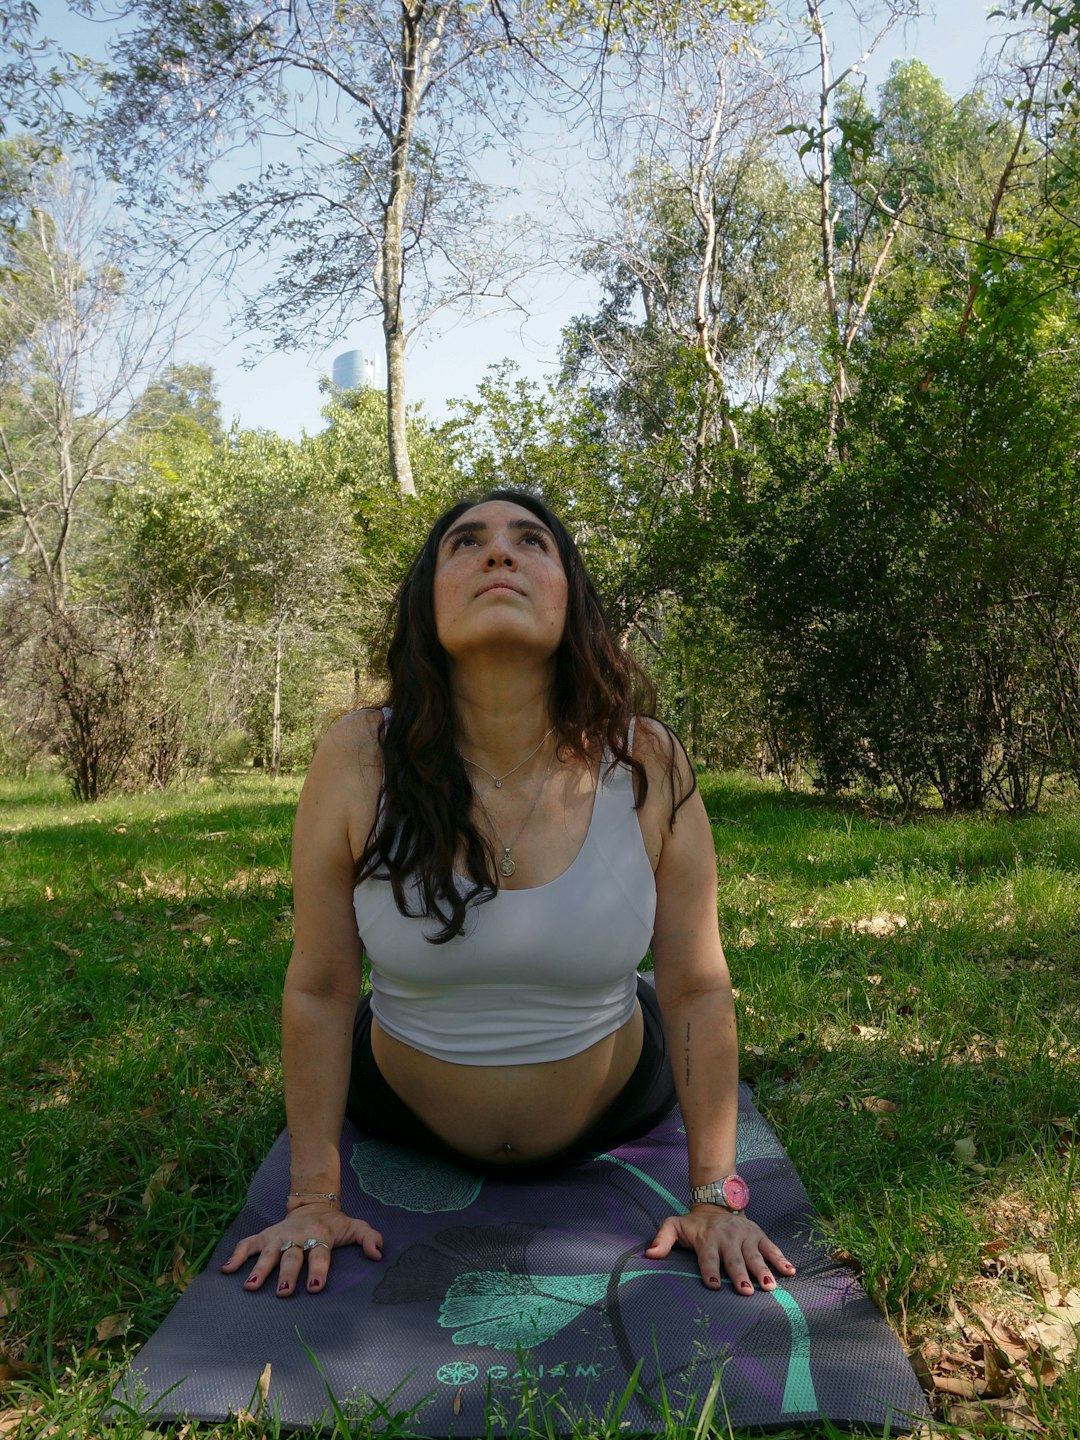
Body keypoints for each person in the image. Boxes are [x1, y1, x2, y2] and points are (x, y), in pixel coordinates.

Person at [221, 490, 795, 1302]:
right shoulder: (358, 757)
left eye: (531, 541)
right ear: (428, 600)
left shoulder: (647, 762)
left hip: (622, 1101)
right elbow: (319, 988)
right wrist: (314, 1197)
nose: (498, 554)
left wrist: (713, 1197)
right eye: (467, 544)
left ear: (572, 600)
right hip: (399, 1111)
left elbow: (696, 986)